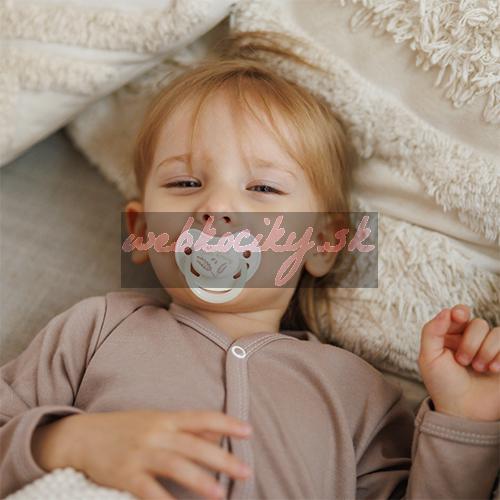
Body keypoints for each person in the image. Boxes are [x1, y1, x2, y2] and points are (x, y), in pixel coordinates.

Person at [1, 31, 498, 500]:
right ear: (141, 231)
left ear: (323, 243)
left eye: (263, 188)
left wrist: (464, 421)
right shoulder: (96, 329)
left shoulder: (356, 390)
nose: (216, 207)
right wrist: (68, 441)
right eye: (185, 183)